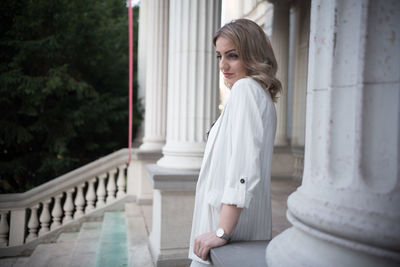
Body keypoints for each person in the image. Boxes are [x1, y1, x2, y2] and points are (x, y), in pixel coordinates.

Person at [188, 19, 282, 266]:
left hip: (229, 229)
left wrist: (221, 231)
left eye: (233, 55)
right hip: (237, 226)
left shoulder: (245, 90)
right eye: (219, 56)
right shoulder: (258, 96)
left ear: (252, 55)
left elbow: (243, 167)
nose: (223, 65)